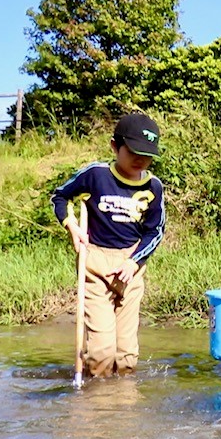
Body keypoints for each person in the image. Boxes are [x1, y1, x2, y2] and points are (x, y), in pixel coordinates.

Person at [51, 111, 166, 377]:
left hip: (130, 267)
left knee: (126, 357)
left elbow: (155, 232)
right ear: (114, 146)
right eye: (133, 152)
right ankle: (96, 406)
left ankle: (122, 407)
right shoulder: (96, 175)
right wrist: (72, 227)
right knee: (102, 353)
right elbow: (59, 197)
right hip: (95, 264)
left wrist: (134, 261)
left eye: (147, 155)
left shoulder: (154, 187)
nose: (141, 160)